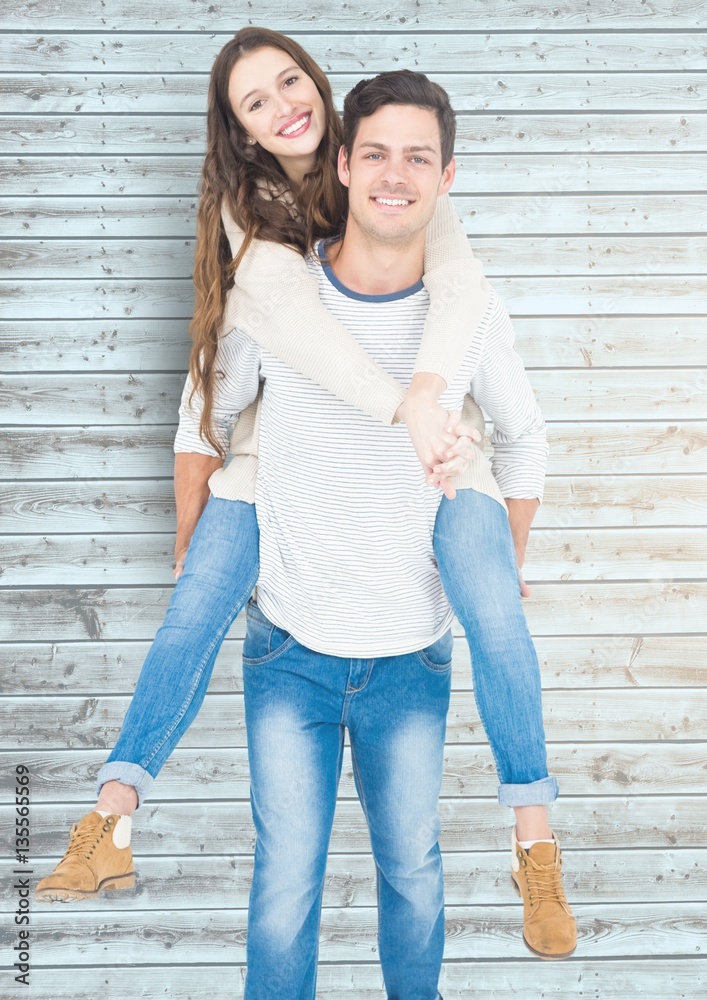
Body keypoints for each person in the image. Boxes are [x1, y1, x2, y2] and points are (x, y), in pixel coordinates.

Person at [35, 29, 574, 965]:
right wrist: (189, 523)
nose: (282, 102)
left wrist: (451, 443)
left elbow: (466, 308)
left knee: (496, 618)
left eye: (291, 79)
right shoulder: (263, 238)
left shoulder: (418, 211)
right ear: (253, 136)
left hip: (439, 498)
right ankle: (112, 812)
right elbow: (212, 400)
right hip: (266, 489)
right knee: (193, 610)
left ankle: (536, 838)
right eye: (255, 101)